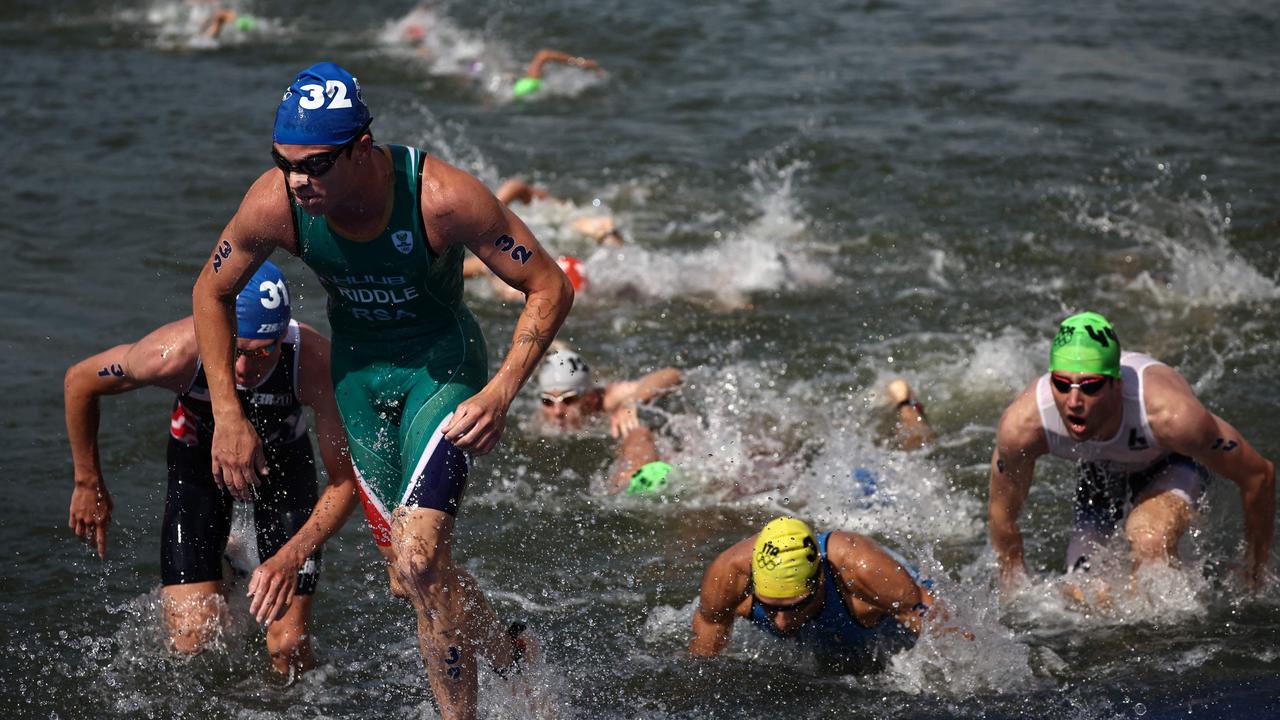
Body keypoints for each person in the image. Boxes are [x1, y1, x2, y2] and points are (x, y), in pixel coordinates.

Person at [190, 62, 573, 719]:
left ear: (361, 149)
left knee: (422, 559)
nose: (298, 182)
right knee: (411, 577)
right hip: (359, 379)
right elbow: (211, 289)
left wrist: (502, 392)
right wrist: (227, 410)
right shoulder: (274, 203)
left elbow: (549, 284)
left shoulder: (441, 197)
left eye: (314, 166)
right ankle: (513, 654)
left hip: (440, 368)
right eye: (284, 163)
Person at [64, 262, 358, 675]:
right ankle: (230, 568)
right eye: (236, 347)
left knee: (288, 650)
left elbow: (346, 480)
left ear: (282, 336)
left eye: (261, 352)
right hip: (199, 469)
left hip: (283, 470)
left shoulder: (311, 362)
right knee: (191, 643)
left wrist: (292, 555)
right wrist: (87, 480)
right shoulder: (174, 355)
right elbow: (80, 381)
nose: (244, 367)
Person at [989, 311, 1275, 595]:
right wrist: (1012, 590)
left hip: (1171, 462)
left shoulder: (1171, 416)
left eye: (1090, 386)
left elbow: (1259, 475)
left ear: (1117, 383)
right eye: (1062, 385)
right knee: (1084, 595)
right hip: (1099, 476)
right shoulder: (1024, 426)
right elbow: (1003, 513)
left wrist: (1253, 569)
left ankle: (1172, 633)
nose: (1073, 402)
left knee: (1149, 539)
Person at [688, 516, 940, 670]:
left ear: (820, 582)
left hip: (888, 626)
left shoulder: (864, 574)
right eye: (770, 607)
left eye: (794, 606)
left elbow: (949, 641)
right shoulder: (729, 576)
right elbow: (702, 662)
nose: (781, 622)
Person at [535, 348, 682, 494]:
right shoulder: (541, 419)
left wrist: (631, 402)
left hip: (630, 437)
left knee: (637, 433)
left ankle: (634, 479)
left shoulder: (611, 399)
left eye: (569, 399)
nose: (557, 411)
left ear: (590, 398)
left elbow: (672, 375)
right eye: (547, 401)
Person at [512, 48, 603, 99]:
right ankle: (584, 64)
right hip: (529, 86)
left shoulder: (515, 88)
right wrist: (580, 62)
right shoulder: (530, 81)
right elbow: (544, 55)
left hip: (521, 93)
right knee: (543, 55)